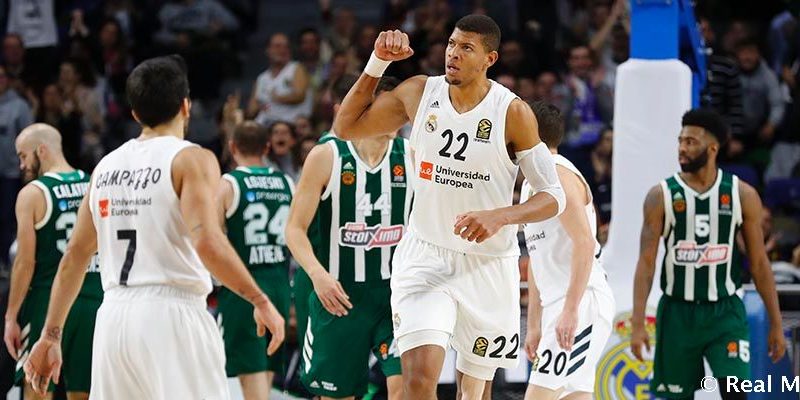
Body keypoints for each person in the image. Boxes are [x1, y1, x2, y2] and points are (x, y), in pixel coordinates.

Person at [22, 55, 285, 398]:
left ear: (134, 113)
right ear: (186, 106)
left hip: (113, 319)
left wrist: (50, 335)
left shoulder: (105, 166)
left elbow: (74, 255)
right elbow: (207, 241)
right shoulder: (192, 157)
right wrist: (259, 299)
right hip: (171, 314)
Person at [332, 14, 566, 400]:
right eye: (452, 44)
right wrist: (377, 63)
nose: (453, 54)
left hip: (487, 264)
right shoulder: (420, 92)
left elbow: (552, 196)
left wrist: (501, 216)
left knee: (473, 392)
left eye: (466, 48)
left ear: (490, 59)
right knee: (420, 378)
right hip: (426, 255)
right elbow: (346, 127)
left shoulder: (512, 112)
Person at [631, 109, 786, 400]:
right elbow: (646, 263)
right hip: (677, 312)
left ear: (712, 148)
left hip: (725, 312)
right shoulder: (661, 196)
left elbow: (760, 264)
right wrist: (638, 323)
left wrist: (776, 324)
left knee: (736, 393)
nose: (682, 148)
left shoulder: (742, 194)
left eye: (691, 142)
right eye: (680, 141)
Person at [285, 76, 411, 400]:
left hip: (394, 296)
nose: (400, 116)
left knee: (410, 387)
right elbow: (294, 229)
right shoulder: (327, 155)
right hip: (339, 295)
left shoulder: (412, 155)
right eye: (390, 109)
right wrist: (318, 275)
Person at [520, 102, 615, 400]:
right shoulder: (531, 183)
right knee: (573, 396)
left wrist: (571, 310)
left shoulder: (559, 176)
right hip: (557, 304)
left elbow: (586, 244)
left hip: (581, 302)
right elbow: (537, 257)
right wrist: (534, 323)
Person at [5, 123, 102, 400]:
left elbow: (24, 263)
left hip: (48, 302)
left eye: (24, 156)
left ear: (42, 151)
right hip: (94, 298)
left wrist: (11, 316)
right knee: (84, 394)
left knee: (37, 390)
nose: (22, 165)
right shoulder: (93, 182)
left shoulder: (33, 193)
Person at [217, 121, 294, 400]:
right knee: (266, 374)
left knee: (251, 384)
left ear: (232, 147)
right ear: (266, 147)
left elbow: (212, 240)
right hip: (280, 285)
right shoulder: (286, 182)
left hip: (244, 288)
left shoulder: (229, 184)